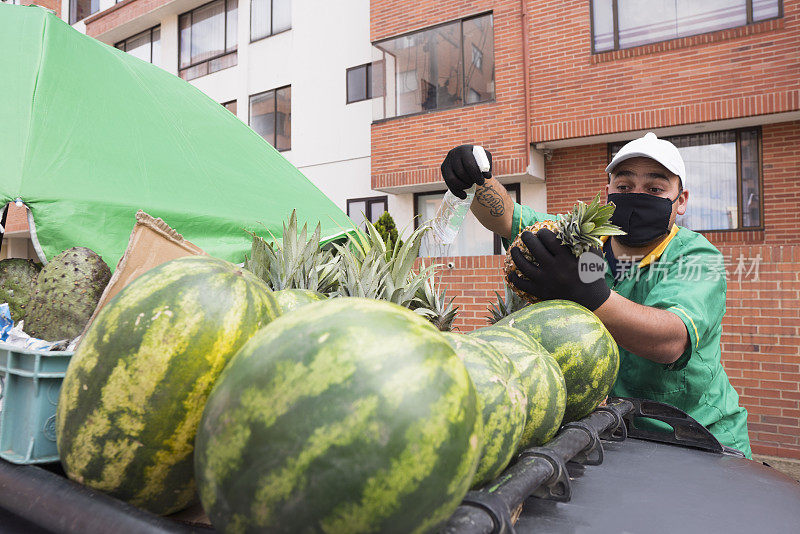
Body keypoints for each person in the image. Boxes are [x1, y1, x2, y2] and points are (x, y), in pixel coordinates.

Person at [440, 132, 752, 457]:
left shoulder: (697, 258)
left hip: (698, 440)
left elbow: (669, 341)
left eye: (655, 189)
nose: (637, 196)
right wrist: (475, 180)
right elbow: (508, 218)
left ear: (681, 199)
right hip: (611, 437)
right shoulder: (584, 241)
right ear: (608, 193)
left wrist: (591, 295)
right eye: (625, 186)